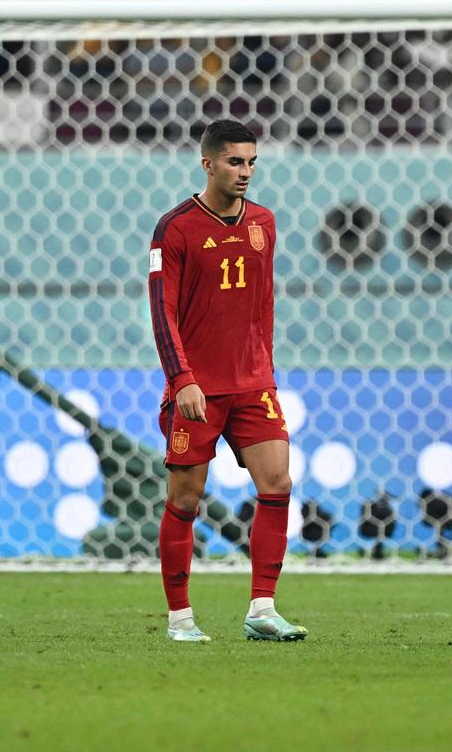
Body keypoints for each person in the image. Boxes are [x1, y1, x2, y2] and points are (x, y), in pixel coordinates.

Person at [150, 119, 306, 644]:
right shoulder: (175, 229)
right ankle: (180, 618)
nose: (246, 172)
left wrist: (263, 367)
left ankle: (262, 608)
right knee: (187, 499)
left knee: (278, 482)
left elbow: (263, 304)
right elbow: (161, 311)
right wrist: (182, 379)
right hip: (196, 389)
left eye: (252, 162)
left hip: (252, 384)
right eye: (235, 162)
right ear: (208, 163)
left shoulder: (264, 222)